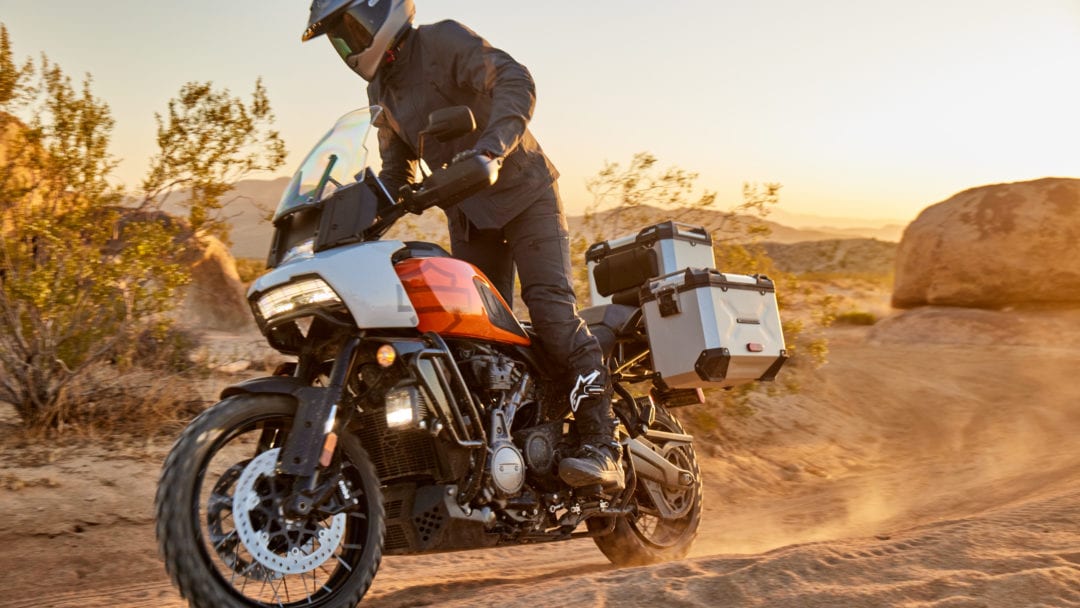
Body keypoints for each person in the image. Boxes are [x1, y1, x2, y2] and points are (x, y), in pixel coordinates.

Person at [302, 0, 623, 490]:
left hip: (524, 193)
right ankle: (507, 453)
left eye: (346, 29)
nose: (344, 45)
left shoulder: (442, 40)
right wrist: (356, 219)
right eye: (335, 38)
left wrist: (491, 148)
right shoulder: (380, 88)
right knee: (473, 341)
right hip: (471, 217)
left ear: (376, 11)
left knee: (553, 315)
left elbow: (516, 81)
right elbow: (396, 168)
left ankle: (604, 443)